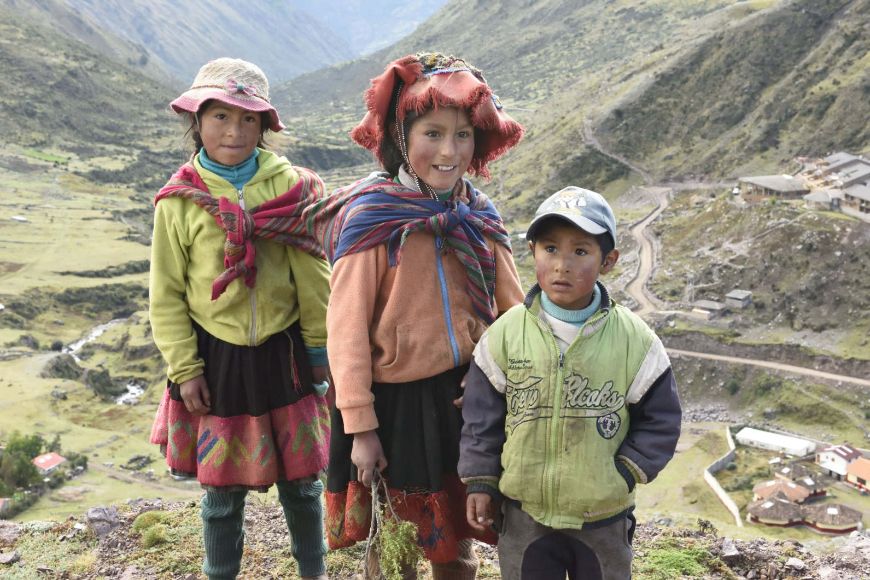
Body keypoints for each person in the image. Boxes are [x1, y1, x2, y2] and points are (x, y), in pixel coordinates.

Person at [313, 52, 525, 578]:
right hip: (395, 409)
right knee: (397, 546)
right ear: (401, 136)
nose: (449, 151)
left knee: (455, 544)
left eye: (463, 135)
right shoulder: (373, 221)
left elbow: (514, 316)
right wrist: (360, 426)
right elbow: (346, 333)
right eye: (433, 132)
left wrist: (500, 381)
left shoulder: (479, 216)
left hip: (465, 399)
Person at [148, 58, 332, 580]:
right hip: (215, 356)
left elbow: (314, 278)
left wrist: (319, 351)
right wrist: (185, 369)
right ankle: (219, 573)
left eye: (247, 119)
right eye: (220, 116)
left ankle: (312, 572)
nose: (234, 130)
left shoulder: (291, 189)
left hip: (286, 351)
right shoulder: (178, 202)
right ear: (197, 121)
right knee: (221, 492)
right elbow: (166, 294)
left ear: (264, 126)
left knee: (303, 482)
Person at [458, 186, 682, 580]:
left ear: (608, 261)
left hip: (603, 518)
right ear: (532, 252)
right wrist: (481, 480)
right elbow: (481, 419)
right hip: (524, 512)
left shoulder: (635, 340)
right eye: (550, 249)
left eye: (580, 251)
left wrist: (624, 473)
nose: (562, 264)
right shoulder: (505, 335)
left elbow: (661, 419)